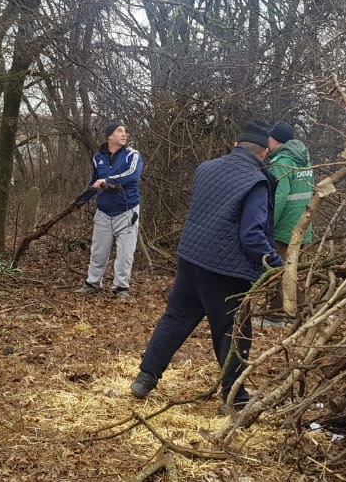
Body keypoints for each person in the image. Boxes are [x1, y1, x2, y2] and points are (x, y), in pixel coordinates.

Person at [130, 119, 283, 412]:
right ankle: (235, 398)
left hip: (191, 258)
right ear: (265, 152)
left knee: (176, 318)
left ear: (236, 144)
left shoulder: (206, 168)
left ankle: (145, 378)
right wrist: (276, 265)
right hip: (226, 271)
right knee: (233, 332)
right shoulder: (257, 182)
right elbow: (252, 235)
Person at [73, 121, 143, 300]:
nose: (124, 134)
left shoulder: (132, 155)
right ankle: (93, 283)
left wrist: (108, 181)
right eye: (120, 131)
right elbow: (95, 181)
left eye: (125, 131)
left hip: (127, 211)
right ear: (110, 136)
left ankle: (121, 288)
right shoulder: (98, 158)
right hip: (104, 211)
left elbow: (132, 175)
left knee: (125, 253)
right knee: (98, 251)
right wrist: (81, 199)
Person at [267, 122, 314, 262]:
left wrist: (268, 227)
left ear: (276, 139)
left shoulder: (281, 163)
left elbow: (278, 198)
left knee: (278, 271)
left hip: (283, 232)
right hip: (302, 228)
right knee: (296, 270)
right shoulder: (305, 161)